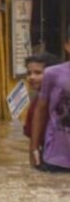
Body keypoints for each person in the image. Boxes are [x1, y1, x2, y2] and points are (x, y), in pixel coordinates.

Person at [30, 32, 70, 172]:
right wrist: (34, 148)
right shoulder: (52, 74)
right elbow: (40, 110)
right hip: (56, 154)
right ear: (67, 46)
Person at [23, 52, 58, 140]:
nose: (32, 77)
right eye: (29, 73)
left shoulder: (60, 101)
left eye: (38, 73)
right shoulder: (36, 102)